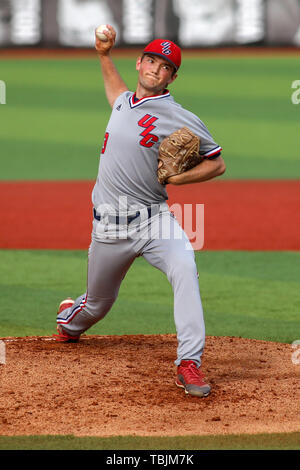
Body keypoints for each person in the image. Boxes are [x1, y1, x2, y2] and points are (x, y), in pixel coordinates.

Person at [54, 25, 226, 398]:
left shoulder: (180, 116)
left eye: (164, 66)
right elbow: (115, 90)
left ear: (172, 77)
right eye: (151, 60)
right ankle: (69, 320)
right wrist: (102, 55)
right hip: (110, 228)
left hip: (154, 220)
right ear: (139, 63)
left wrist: (181, 180)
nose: (155, 68)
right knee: (96, 307)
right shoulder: (121, 102)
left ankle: (189, 362)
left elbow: (217, 163)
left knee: (185, 268)